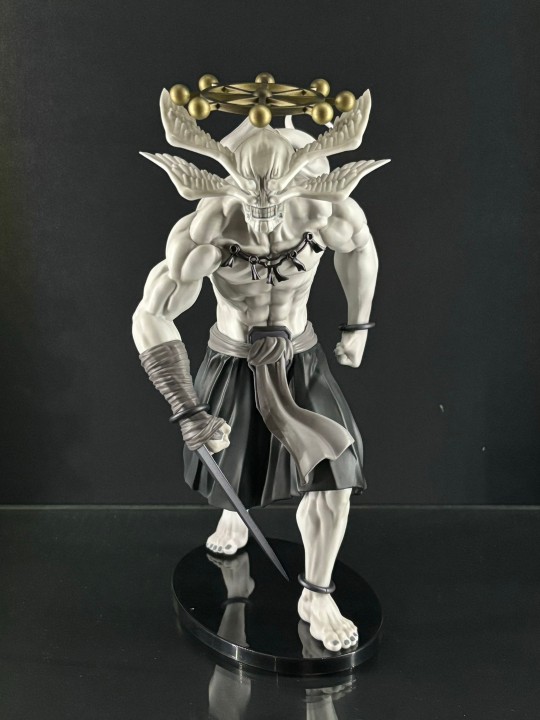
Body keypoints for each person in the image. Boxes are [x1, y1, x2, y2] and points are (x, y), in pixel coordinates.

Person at [133, 88, 388, 651]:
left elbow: (359, 249)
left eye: (278, 195)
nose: (266, 213)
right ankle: (235, 512)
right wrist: (185, 406)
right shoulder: (207, 228)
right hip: (234, 359)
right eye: (253, 196)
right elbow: (151, 314)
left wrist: (357, 325)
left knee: (335, 472)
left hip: (300, 357)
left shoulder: (323, 211)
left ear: (301, 182)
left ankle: (316, 594)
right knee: (234, 463)